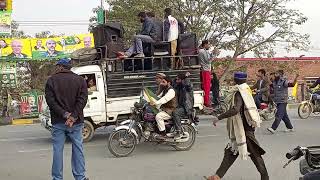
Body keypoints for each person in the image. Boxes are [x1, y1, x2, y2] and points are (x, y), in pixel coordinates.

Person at [207, 72, 269, 180]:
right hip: (243, 127)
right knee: (231, 151)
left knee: (255, 155)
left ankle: (265, 177)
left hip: (244, 129)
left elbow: (236, 109)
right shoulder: (246, 89)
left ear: (235, 80)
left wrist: (219, 117)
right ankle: (217, 176)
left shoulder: (239, 92)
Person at [45, 58, 89, 180]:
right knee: (78, 149)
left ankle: (57, 178)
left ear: (60, 67)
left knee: (58, 150)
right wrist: (73, 116)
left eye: (57, 66)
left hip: (58, 122)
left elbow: (51, 102)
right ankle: (80, 177)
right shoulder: (80, 80)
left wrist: (65, 115)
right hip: (76, 122)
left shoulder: (51, 81)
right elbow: (82, 100)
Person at [169, 73, 193, 139]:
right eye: (176, 79)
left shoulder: (187, 86)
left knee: (175, 113)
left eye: (178, 79)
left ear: (182, 80)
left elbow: (188, 85)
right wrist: (177, 79)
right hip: (180, 106)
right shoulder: (178, 86)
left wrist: (185, 77)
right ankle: (174, 129)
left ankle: (179, 132)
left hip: (186, 108)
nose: (177, 81)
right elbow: (173, 84)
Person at [199, 40, 214, 107]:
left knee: (207, 86)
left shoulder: (205, 51)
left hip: (207, 70)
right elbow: (208, 61)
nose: (209, 46)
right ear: (205, 44)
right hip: (205, 70)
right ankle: (206, 101)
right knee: (206, 87)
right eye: (208, 44)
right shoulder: (202, 51)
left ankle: (207, 100)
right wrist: (214, 54)